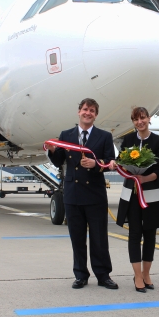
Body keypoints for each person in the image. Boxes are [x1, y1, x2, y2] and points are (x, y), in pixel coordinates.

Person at [46, 98, 119, 290]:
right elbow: (58, 161)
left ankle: (103, 275)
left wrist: (96, 164)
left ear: (96, 115)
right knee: (77, 238)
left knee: (99, 238)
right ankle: (80, 275)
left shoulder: (104, 136)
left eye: (92, 110)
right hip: (73, 194)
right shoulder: (66, 135)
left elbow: (110, 160)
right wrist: (52, 151)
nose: (88, 113)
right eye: (85, 109)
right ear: (79, 112)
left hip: (95, 193)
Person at [116, 107, 159, 293]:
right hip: (131, 194)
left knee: (150, 235)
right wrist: (126, 171)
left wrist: (145, 178)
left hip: (151, 193)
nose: (140, 122)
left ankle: (147, 273)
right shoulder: (128, 140)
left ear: (149, 119)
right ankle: (137, 275)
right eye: (136, 119)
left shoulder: (158, 141)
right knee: (135, 234)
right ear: (133, 121)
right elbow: (121, 161)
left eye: (143, 118)